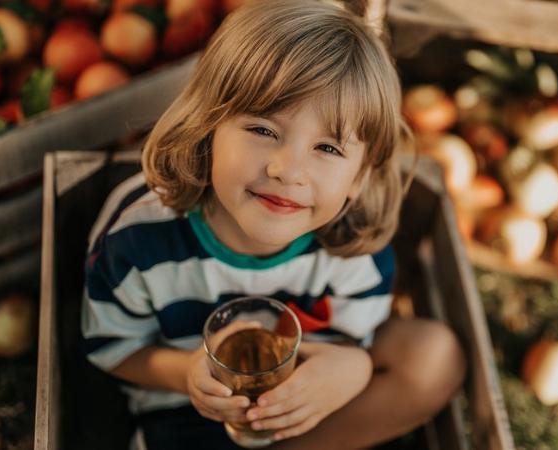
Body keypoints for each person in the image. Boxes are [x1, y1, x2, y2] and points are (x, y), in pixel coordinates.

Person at [80, 1, 466, 449]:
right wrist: (185, 374)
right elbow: (114, 348)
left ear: (359, 178)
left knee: (435, 359)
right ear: (208, 127)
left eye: (328, 148)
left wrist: (354, 367)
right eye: (263, 130)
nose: (289, 170)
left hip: (305, 413)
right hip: (187, 415)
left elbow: (350, 341)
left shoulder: (350, 251)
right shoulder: (136, 242)